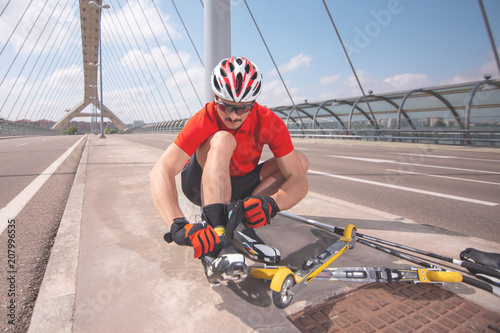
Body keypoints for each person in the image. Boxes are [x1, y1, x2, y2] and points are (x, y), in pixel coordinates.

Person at [150, 56, 308, 278]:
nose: (232, 115)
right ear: (215, 98)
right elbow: (161, 170)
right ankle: (218, 228)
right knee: (223, 139)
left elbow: (298, 179)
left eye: (241, 108)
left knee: (300, 161)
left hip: (240, 182)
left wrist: (273, 203)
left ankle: (242, 214)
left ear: (253, 104)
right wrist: (176, 224)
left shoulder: (269, 121)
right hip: (199, 182)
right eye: (224, 106)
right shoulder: (204, 118)